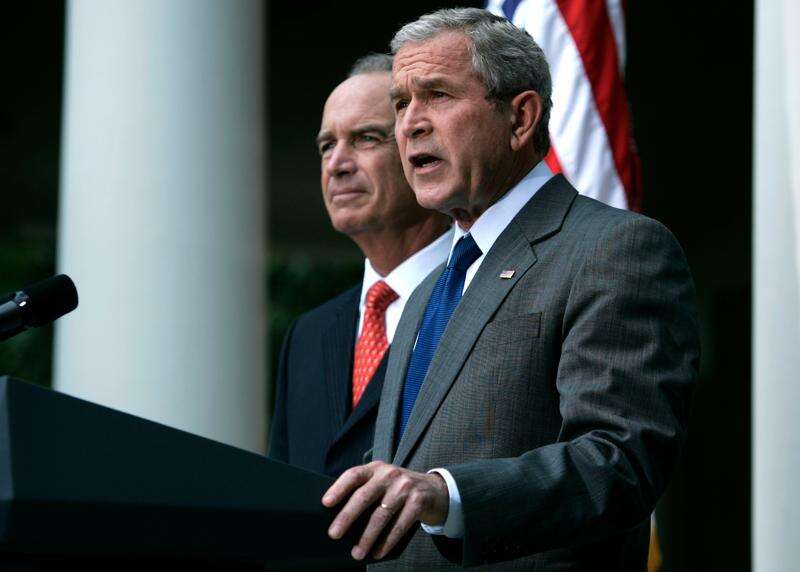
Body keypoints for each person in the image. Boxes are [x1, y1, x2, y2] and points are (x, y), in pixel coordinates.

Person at [321, 9, 700, 570]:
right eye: (401, 103)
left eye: (438, 95)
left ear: (520, 118)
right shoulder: (428, 291)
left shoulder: (614, 248)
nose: (411, 124)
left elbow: (620, 462)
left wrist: (448, 495)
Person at [268, 54, 452, 479]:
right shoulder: (307, 335)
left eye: (366, 138)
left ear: (421, 151)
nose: (337, 164)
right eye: (326, 146)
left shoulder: (481, 298)